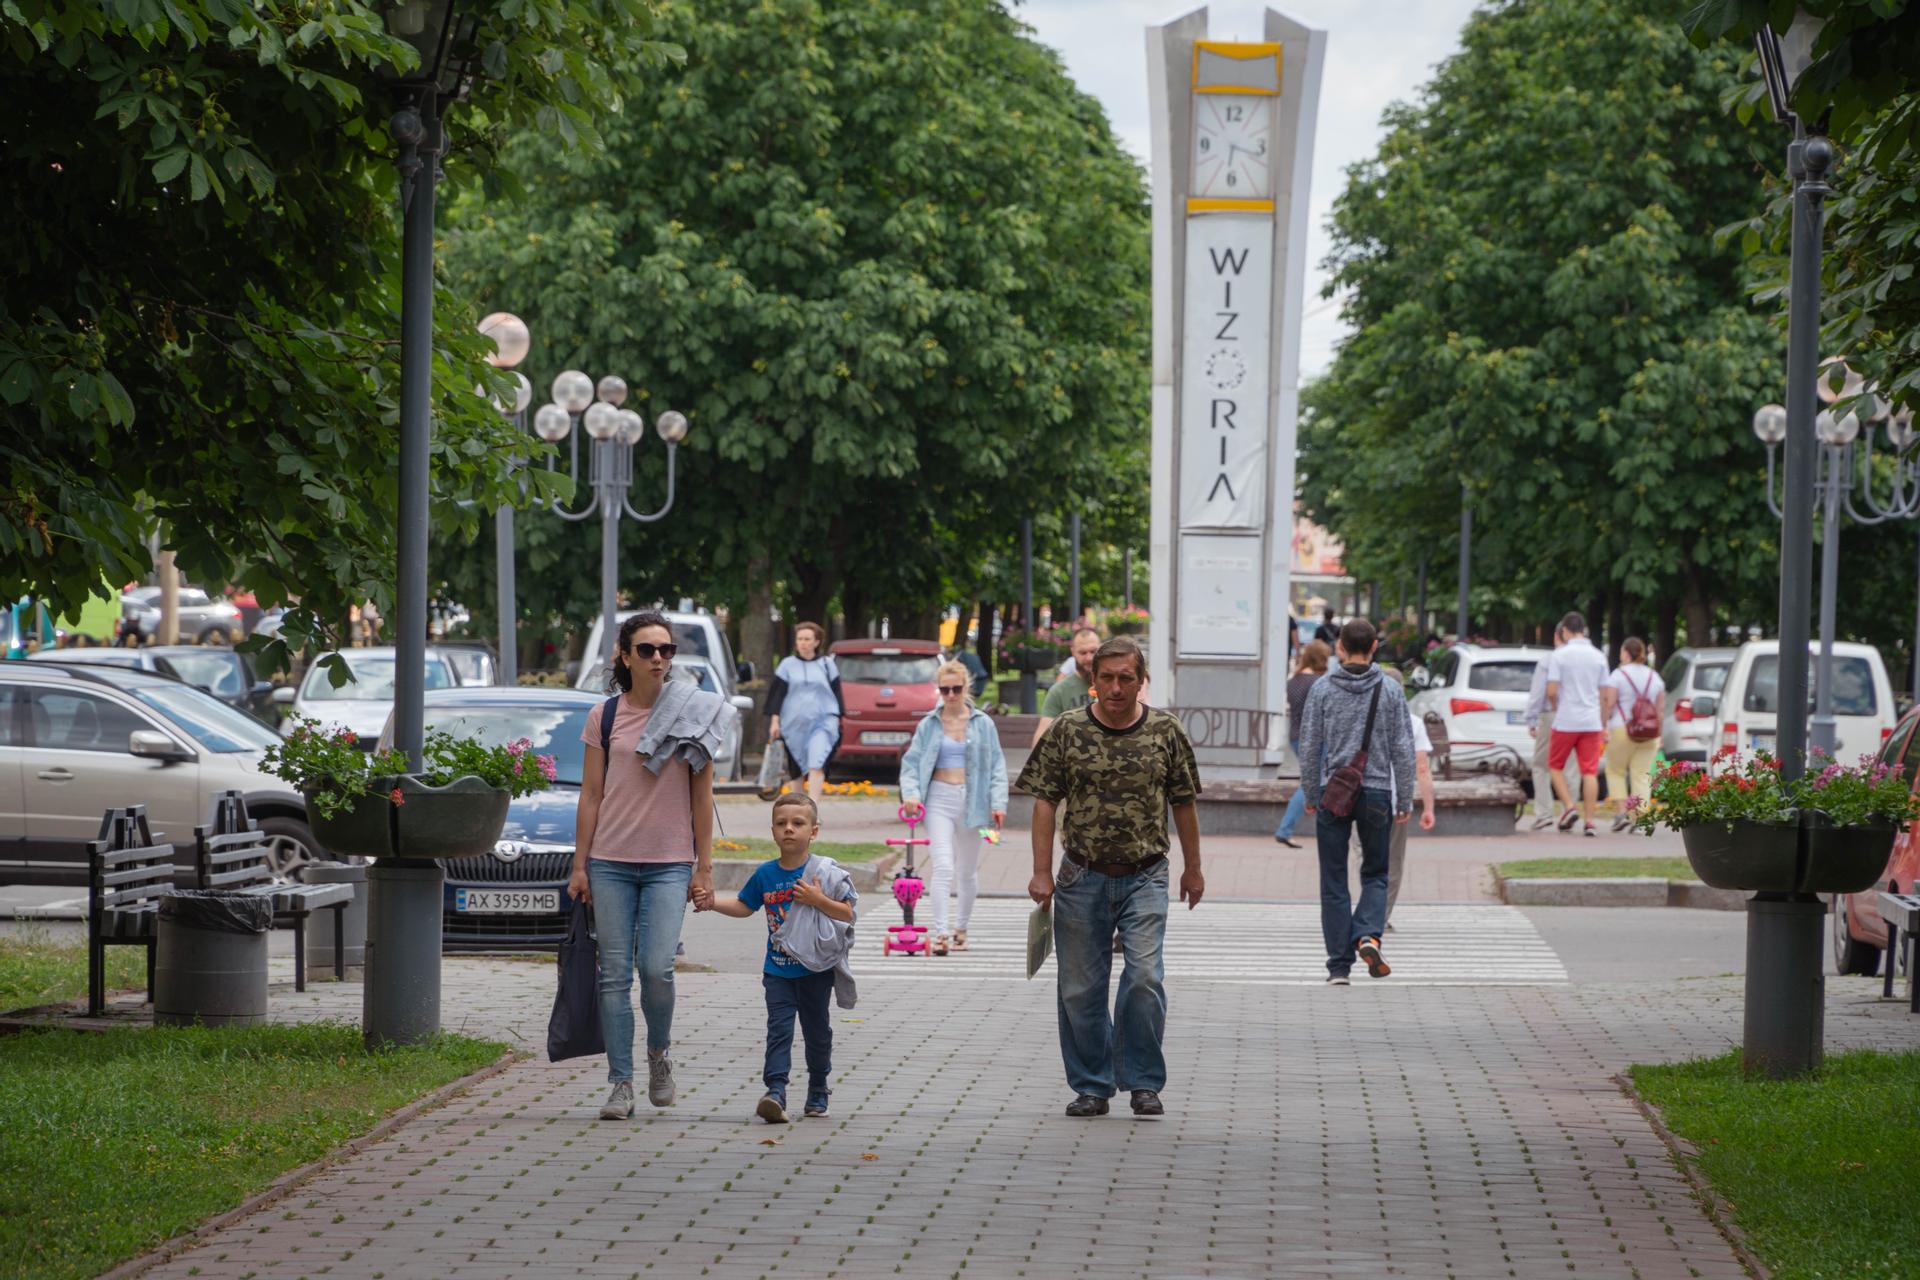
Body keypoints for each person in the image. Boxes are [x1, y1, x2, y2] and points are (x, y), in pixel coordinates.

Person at [1021, 635, 1203, 1119]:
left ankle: (1143, 1080)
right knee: (1080, 988)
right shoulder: (1067, 730)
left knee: (1144, 977)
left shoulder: (1165, 730)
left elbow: (1184, 803)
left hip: (1147, 874)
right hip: (1081, 875)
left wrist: (1195, 868)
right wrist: (1041, 872)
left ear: (1142, 681)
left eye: (1127, 678)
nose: (1117, 688)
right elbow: (1043, 801)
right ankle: (1092, 1085)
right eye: (1108, 678)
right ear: (1093, 682)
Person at [568, 611, 717, 1121]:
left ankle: (658, 1054)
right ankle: (620, 1083)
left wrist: (704, 867)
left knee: (655, 969)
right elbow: (590, 794)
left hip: (670, 862)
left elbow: (703, 796)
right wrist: (579, 865)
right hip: (609, 860)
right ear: (625, 656)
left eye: (667, 650)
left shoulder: (695, 713)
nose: (659, 658)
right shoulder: (604, 716)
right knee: (614, 975)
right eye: (648, 650)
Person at [705, 792, 857, 1122]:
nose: (789, 829)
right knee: (779, 1031)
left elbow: (848, 913)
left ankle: (818, 1088)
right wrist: (712, 902)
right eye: (781, 823)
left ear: (813, 831)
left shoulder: (824, 873)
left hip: (815, 970)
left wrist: (818, 899)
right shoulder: (766, 874)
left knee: (817, 1032)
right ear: (772, 830)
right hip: (777, 971)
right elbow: (746, 906)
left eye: (797, 823)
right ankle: (775, 1091)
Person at [1298, 618, 1415, 985]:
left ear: (1340, 647)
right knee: (1376, 873)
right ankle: (1368, 934)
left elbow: (1310, 746)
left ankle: (1338, 967)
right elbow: (1404, 750)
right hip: (1379, 793)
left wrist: (1311, 793)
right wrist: (1405, 799)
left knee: (1333, 879)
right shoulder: (1392, 691)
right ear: (1375, 647)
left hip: (1335, 791)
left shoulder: (1322, 689)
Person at [898, 659, 1008, 954]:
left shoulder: (983, 723)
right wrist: (911, 794)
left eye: (955, 689)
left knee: (968, 870)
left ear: (966, 687)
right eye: (944, 689)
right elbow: (911, 764)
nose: (949, 695)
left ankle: (961, 928)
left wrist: (999, 803)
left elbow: (997, 766)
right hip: (938, 797)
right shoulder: (929, 724)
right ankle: (942, 933)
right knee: (944, 865)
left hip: (975, 802)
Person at [1543, 611, 1610, 837]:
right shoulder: (1599, 656)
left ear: (1564, 631)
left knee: (1555, 766)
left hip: (1566, 721)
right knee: (1589, 771)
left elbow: (1551, 690)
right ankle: (1590, 822)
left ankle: (1570, 807)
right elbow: (1605, 695)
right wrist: (1603, 723)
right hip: (1591, 721)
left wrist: (1556, 704)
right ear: (1584, 629)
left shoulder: (1560, 656)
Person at [1379, 667, 1436, 930]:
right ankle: (1380, 916)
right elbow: (1422, 768)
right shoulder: (1412, 723)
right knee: (1393, 862)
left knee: (1365, 856)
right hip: (1395, 803)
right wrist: (1428, 807)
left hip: (1363, 799)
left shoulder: (1363, 718)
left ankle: (1367, 912)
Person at [765, 622, 843, 803]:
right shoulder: (787, 665)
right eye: (800, 639)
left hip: (822, 723)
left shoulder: (827, 665)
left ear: (817, 642)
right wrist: (775, 721)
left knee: (817, 762)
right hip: (793, 725)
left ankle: (813, 809)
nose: (803, 643)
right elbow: (777, 694)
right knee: (796, 768)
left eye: (807, 639)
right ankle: (798, 806)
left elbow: (837, 692)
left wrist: (838, 718)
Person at [1601, 637, 1665, 832]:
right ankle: (1641, 820)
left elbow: (1609, 703)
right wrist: (1659, 735)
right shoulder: (1655, 677)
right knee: (1642, 776)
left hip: (1622, 728)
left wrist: (1603, 726)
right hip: (1649, 733)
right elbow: (1660, 710)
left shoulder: (1618, 675)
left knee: (1615, 771)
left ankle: (1621, 813)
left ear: (1626, 653)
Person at [1274, 640, 1331, 848]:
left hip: (1296, 736)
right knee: (1312, 782)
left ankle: (1293, 828)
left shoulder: (1294, 680)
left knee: (1315, 780)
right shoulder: (1318, 682)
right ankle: (1286, 828)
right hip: (1316, 738)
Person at [1523, 624, 1573, 830]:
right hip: (1577, 716)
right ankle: (1569, 810)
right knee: (1571, 766)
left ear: (1556, 636)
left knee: (1541, 764)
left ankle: (1544, 812)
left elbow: (1539, 692)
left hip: (1551, 715)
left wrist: (1531, 718)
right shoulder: (1585, 658)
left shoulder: (1549, 660)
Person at [1033, 625, 1101, 744]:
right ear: (1073, 652)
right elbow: (1042, 736)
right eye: (1083, 652)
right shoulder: (1059, 691)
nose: (1089, 658)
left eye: (1093, 651)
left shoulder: (1114, 686)